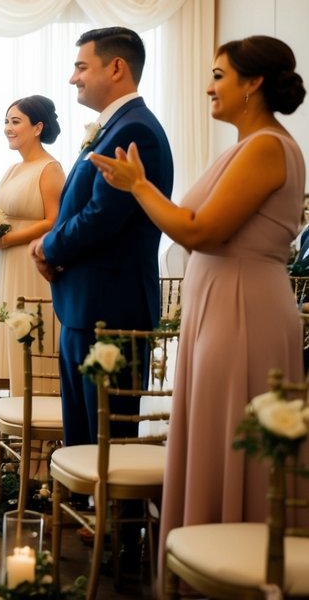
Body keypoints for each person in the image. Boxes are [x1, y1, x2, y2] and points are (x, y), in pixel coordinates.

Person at [88, 35, 306, 569]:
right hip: (222, 305)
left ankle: (237, 562)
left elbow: (199, 231)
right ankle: (207, 556)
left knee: (230, 433)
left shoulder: (267, 147)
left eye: (219, 75)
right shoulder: (243, 147)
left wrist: (139, 186)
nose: (209, 86)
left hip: (244, 310)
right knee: (213, 430)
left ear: (253, 83)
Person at [31, 27, 173, 448]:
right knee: (80, 441)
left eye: (81, 67)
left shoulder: (135, 131)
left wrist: (48, 246)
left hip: (111, 309)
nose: (72, 78)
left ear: (116, 68)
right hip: (87, 305)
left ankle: (102, 497)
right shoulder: (117, 127)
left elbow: (102, 215)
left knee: (106, 444)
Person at [0, 95, 65, 395]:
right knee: (13, 332)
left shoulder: (50, 168)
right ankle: (18, 408)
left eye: (15, 121)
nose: (8, 128)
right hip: (8, 263)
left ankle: (39, 411)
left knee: (32, 336)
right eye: (6, 121)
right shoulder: (13, 169)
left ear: (38, 127)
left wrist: (2, 240)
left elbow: (54, 221)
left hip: (32, 263)